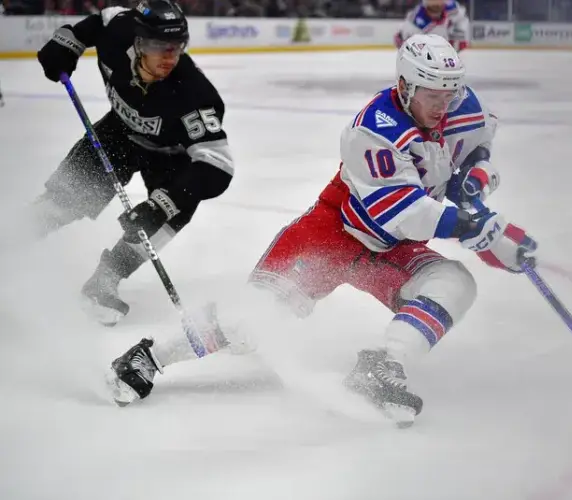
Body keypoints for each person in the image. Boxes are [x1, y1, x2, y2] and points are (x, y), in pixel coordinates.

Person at [108, 34, 537, 427]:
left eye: (448, 94)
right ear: (405, 86)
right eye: (431, 95)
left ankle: (382, 366)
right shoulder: (374, 130)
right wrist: (476, 228)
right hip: (330, 236)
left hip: (390, 250)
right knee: (250, 324)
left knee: (455, 283)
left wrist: (476, 184)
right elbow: (407, 214)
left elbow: (473, 151)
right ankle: (148, 357)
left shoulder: (462, 106)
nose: (442, 105)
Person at [30, 0, 233, 326]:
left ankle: (106, 278)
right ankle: (11, 240)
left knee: (159, 222)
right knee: (62, 202)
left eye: (176, 46)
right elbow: (101, 20)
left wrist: (162, 206)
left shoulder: (194, 95)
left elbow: (217, 165)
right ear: (138, 41)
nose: (169, 57)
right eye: (158, 45)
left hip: (173, 157)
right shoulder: (118, 30)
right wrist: (68, 42)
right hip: (119, 132)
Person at [394, 0, 470, 53]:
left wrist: (459, 35)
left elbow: (463, 20)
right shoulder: (416, 20)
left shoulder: (452, 7)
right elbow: (407, 45)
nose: (436, 3)